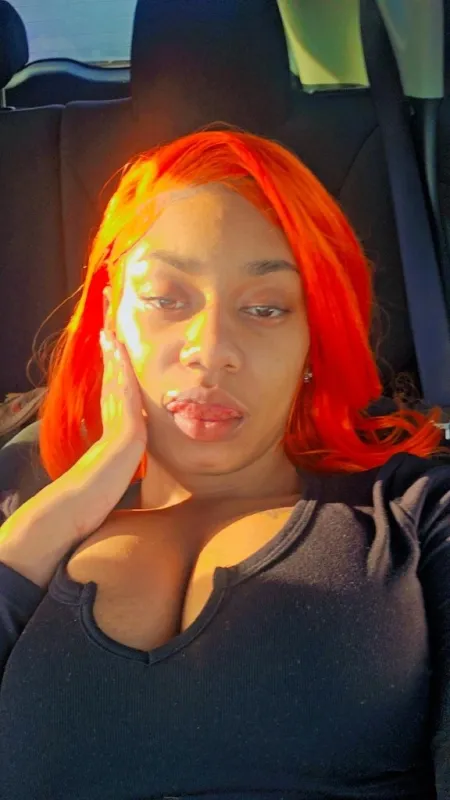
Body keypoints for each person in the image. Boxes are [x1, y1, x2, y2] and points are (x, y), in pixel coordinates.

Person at [0, 128, 449, 800]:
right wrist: (70, 502)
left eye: (265, 308)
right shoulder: (20, 491)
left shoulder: (417, 515)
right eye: (164, 299)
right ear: (109, 317)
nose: (210, 350)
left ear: (314, 338)